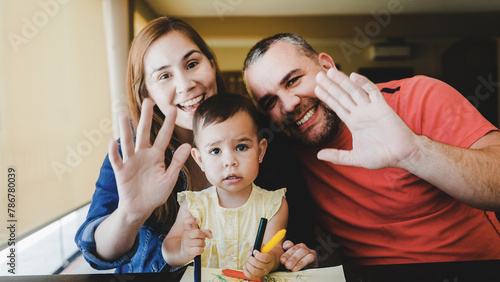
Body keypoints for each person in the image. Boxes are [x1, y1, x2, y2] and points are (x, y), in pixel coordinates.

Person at [75, 18, 316, 273]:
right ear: (147, 92)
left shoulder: (266, 138)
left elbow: (296, 242)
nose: (186, 84)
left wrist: (297, 256)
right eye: (165, 75)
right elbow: (97, 254)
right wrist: (130, 215)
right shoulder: (133, 152)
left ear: (211, 64)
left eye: (192, 64)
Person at [243, 33, 500, 265]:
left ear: (327, 66)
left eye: (293, 80)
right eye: (270, 101)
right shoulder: (285, 153)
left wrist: (415, 153)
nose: (288, 105)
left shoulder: (418, 96)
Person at [163, 94, 287, 279]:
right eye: (215, 151)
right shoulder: (194, 205)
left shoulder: (274, 204)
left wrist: (268, 260)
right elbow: (168, 248)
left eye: (241, 147)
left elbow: (275, 250)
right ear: (200, 160)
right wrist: (182, 250)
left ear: (260, 151)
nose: (229, 161)